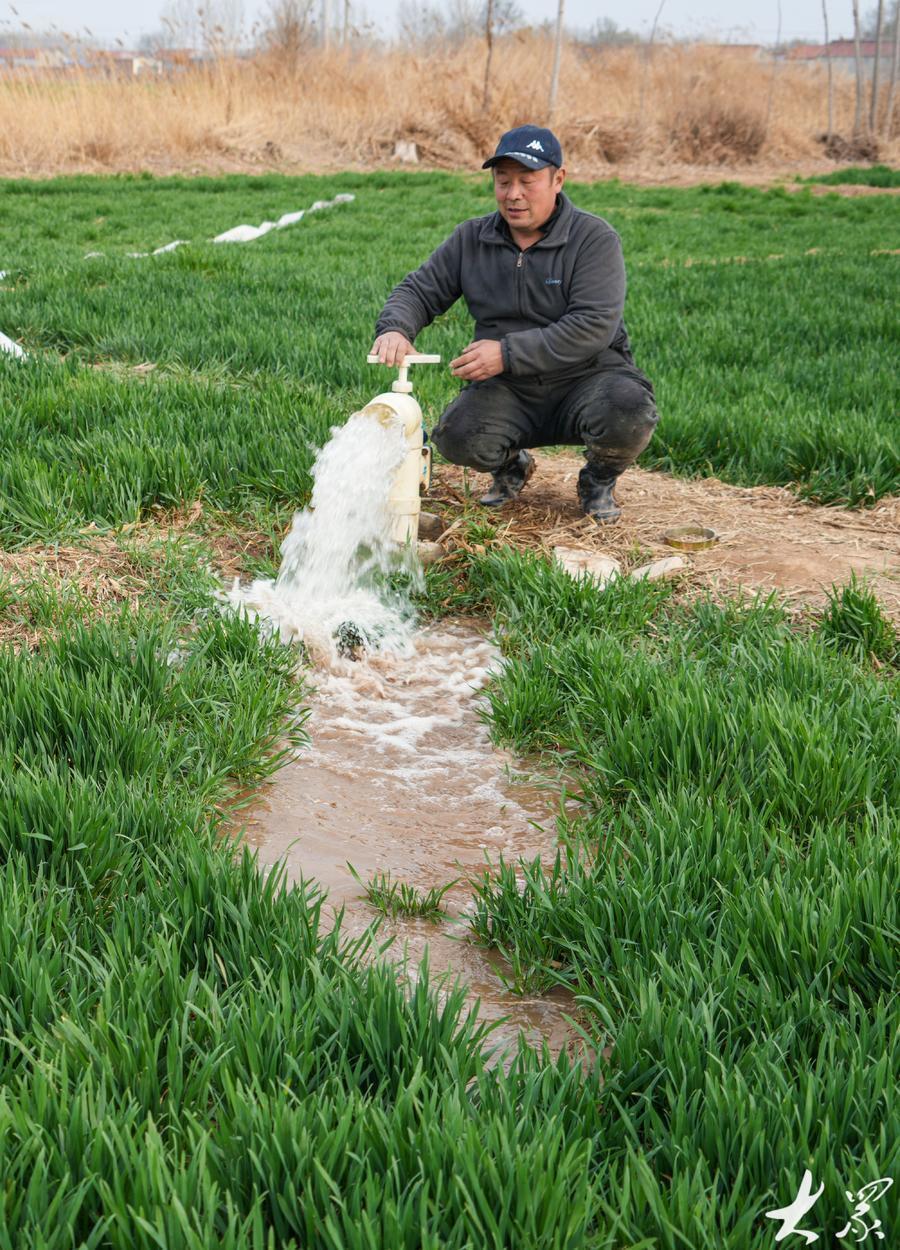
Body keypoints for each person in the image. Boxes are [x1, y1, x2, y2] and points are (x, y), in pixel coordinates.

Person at [370, 124, 659, 524]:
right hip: (512, 389)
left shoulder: (593, 239)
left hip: (588, 378)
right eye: (503, 181)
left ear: (558, 179)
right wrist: (395, 329)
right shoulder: (472, 238)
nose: (513, 194)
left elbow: (594, 324)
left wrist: (506, 353)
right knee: (458, 436)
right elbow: (418, 290)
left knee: (629, 411)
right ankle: (511, 465)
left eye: (527, 181)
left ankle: (598, 479)